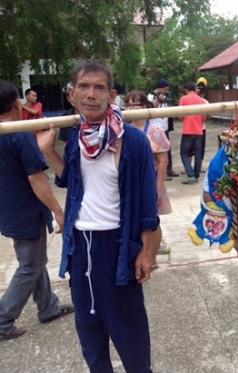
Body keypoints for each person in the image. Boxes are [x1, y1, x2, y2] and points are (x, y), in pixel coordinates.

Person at [36, 60, 158, 372]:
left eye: (99, 87)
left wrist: (147, 251)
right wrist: (49, 152)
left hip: (117, 247)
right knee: (90, 335)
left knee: (131, 337)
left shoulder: (132, 140)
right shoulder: (76, 137)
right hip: (79, 247)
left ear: (111, 94)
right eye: (84, 87)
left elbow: (147, 202)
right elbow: (71, 181)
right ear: (72, 95)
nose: (91, 94)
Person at [0, 80, 74, 341]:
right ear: (16, 103)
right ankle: (3, 318)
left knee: (34, 261)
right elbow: (36, 179)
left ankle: (48, 306)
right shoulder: (19, 135)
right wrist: (58, 210)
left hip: (10, 210)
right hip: (24, 213)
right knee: (30, 266)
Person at [124, 90, 172, 258]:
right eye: (127, 105)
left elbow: (162, 161)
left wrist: (158, 189)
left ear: (144, 106)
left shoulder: (155, 131)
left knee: (152, 220)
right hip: (131, 183)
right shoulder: (124, 130)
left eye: (134, 105)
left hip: (151, 182)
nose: (130, 109)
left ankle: (152, 257)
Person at [148, 78, 179, 180]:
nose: (166, 91)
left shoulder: (164, 96)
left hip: (164, 127)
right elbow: (151, 109)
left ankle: (168, 169)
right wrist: (158, 100)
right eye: (165, 88)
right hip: (156, 128)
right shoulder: (150, 97)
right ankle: (161, 172)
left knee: (167, 149)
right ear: (160, 88)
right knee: (158, 151)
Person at [179, 82, 207, 184]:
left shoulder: (183, 99)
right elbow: (204, 117)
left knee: (184, 153)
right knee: (198, 154)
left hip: (188, 130)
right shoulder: (202, 101)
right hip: (199, 130)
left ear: (186, 90)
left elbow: (180, 116)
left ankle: (190, 174)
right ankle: (196, 175)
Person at [196, 77, 209, 167]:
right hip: (200, 128)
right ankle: (198, 167)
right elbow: (205, 118)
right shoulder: (205, 102)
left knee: (192, 149)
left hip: (194, 128)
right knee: (199, 149)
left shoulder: (205, 102)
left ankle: (189, 168)